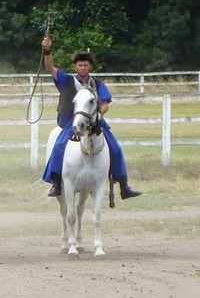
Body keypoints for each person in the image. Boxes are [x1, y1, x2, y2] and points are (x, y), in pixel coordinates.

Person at [40, 34, 141, 200]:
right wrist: (47, 51)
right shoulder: (67, 80)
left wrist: (98, 115)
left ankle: (123, 185)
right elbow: (50, 68)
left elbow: (105, 104)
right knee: (58, 146)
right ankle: (56, 183)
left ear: (90, 67)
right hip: (72, 122)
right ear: (75, 66)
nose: (82, 68)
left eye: (85, 65)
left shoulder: (98, 84)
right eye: (79, 65)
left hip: (94, 121)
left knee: (115, 147)